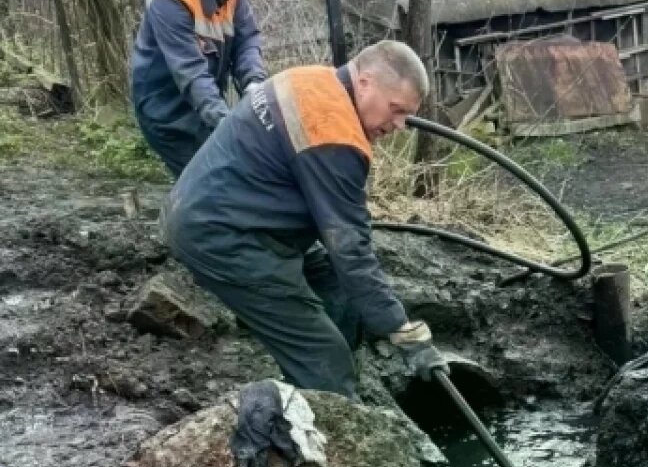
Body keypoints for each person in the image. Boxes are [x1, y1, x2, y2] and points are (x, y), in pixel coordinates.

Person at [160, 40, 447, 400]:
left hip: (215, 209)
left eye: (406, 115)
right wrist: (403, 333)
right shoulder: (334, 133)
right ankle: (329, 415)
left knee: (337, 291)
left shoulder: (311, 79)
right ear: (365, 82)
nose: (401, 125)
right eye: (396, 109)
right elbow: (350, 249)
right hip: (222, 236)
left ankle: (329, 387)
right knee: (325, 359)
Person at [130, 0, 269, 178]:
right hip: (168, 113)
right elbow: (192, 75)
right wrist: (228, 126)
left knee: (229, 177)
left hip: (205, 100)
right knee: (213, 182)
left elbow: (247, 41)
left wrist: (255, 85)